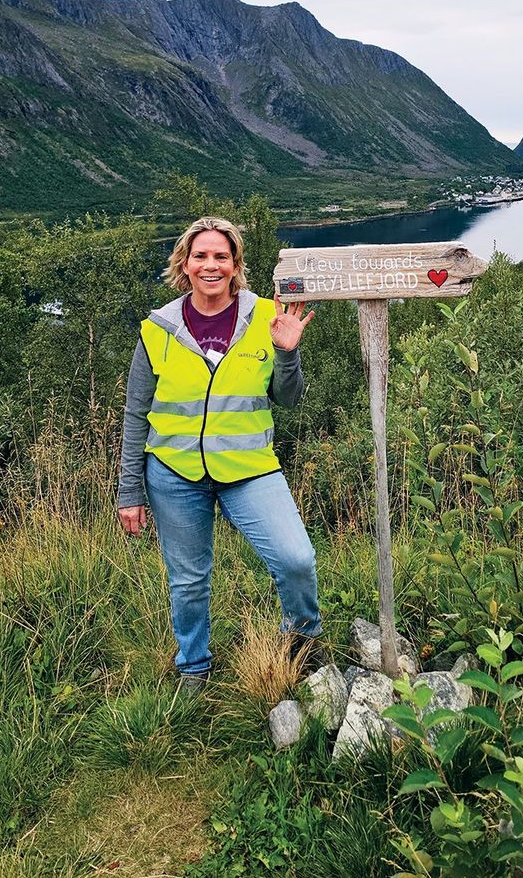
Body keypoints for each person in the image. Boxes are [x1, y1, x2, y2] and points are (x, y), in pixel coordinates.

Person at [117, 216, 322, 690]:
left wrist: (287, 352)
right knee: (188, 582)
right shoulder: (157, 329)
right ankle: (193, 666)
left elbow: (289, 398)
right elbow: (135, 414)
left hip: (250, 469)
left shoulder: (269, 317)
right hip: (173, 472)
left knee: (296, 560)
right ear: (184, 264)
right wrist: (131, 490)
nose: (211, 265)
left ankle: (302, 642)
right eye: (201, 256)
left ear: (235, 266)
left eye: (221, 256)